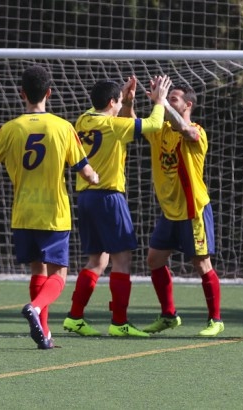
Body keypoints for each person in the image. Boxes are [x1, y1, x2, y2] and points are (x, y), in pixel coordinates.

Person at [0, 65, 99, 350]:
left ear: (22, 94)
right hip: (53, 213)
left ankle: (45, 333)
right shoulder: (63, 127)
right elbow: (86, 172)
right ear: (49, 93)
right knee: (58, 275)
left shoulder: (10, 129)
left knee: (37, 270)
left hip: (23, 212)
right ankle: (36, 308)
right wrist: (96, 177)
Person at [62, 75, 171, 338]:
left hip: (85, 197)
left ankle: (75, 317)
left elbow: (112, 113)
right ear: (112, 102)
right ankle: (119, 322)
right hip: (109, 197)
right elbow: (155, 124)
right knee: (122, 260)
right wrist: (160, 100)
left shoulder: (83, 119)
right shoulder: (113, 126)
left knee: (97, 260)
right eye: (118, 100)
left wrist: (125, 99)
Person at [139, 81, 224, 337]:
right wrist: (130, 100)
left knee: (202, 264)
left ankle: (215, 320)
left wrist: (160, 100)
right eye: (167, 98)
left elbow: (187, 131)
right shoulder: (160, 129)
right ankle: (168, 315)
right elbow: (133, 122)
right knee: (154, 260)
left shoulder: (196, 131)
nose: (166, 101)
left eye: (173, 99)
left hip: (192, 210)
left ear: (188, 105)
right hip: (169, 211)